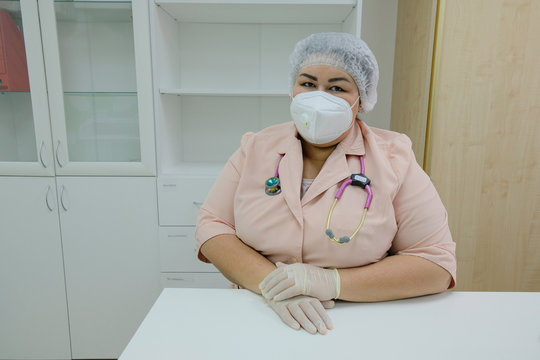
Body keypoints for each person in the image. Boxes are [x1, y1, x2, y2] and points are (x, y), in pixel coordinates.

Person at [195, 32, 456, 335]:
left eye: (337, 87)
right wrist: (274, 286)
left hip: (354, 317)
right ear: (293, 91)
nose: (319, 97)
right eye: (307, 84)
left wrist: (330, 283)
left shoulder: (394, 159)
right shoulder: (256, 147)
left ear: (361, 100)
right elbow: (213, 225)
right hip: (260, 309)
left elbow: (435, 263)